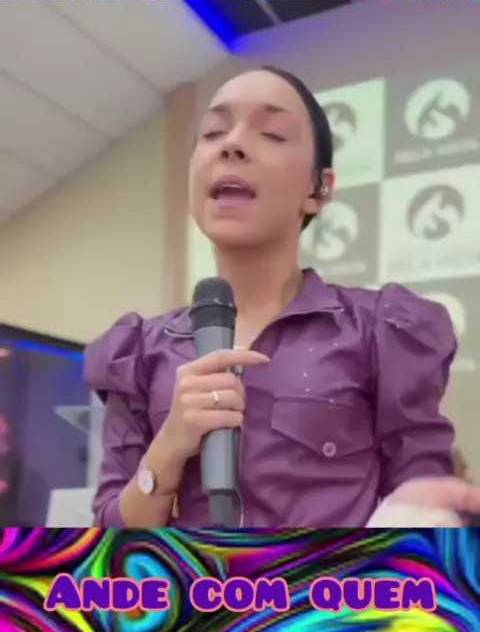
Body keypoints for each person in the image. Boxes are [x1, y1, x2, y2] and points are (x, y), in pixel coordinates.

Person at [85, 66, 480, 528]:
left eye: (272, 133)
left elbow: (420, 505)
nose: (232, 145)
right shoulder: (138, 351)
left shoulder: (378, 330)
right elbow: (112, 538)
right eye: (212, 132)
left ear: (319, 189)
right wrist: (168, 449)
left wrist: (425, 511)